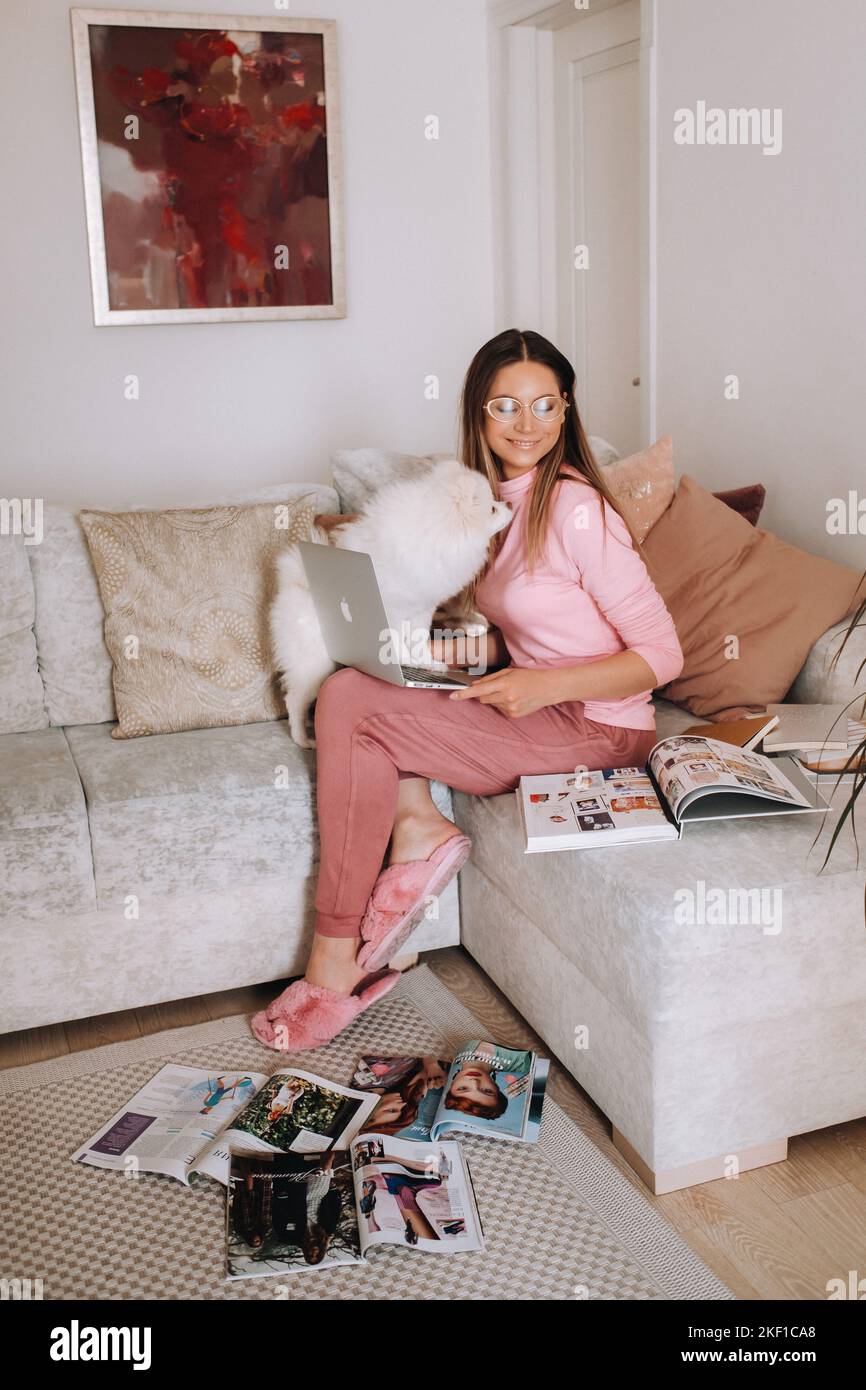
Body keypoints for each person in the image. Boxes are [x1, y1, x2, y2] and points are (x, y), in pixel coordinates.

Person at [252, 328, 683, 1051]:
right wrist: (469, 654)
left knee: (350, 704)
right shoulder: (491, 506)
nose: (528, 425)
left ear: (567, 409)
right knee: (361, 679)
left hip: (604, 729)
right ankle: (415, 823)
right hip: (543, 701)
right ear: (479, 415)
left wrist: (545, 685)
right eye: (506, 407)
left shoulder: (578, 510)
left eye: (546, 406)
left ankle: (334, 963)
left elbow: (662, 655)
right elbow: (540, 625)